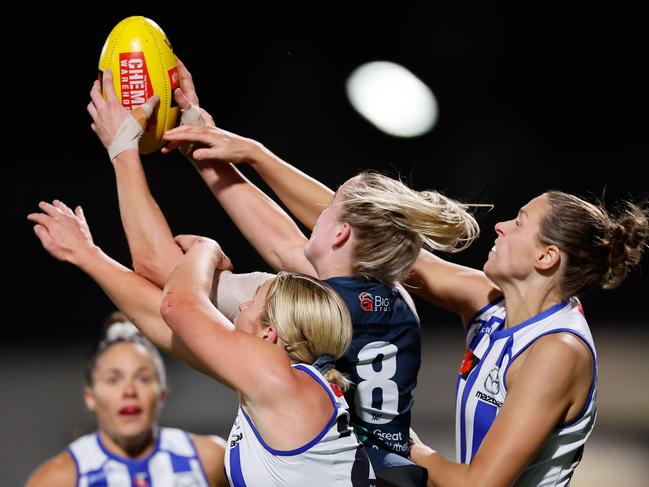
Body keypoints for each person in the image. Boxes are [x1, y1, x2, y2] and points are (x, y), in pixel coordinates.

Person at [83, 62, 481, 486]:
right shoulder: (394, 299)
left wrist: (122, 149)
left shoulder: (293, 309)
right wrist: (201, 146)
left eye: (328, 208)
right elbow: (283, 244)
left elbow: (164, 272)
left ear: (342, 232)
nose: (316, 213)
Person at [28, 199, 376, 486]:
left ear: (270, 334)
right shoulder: (277, 387)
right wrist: (87, 254)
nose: (241, 305)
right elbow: (160, 320)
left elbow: (176, 305)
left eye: (251, 301)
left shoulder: (277, 379)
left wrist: (205, 247)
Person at [25, 312, 227, 487]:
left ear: (162, 394)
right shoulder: (58, 478)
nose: (129, 390)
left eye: (143, 378)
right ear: (90, 397)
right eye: (114, 380)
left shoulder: (209, 458)